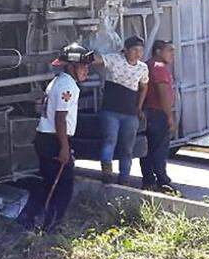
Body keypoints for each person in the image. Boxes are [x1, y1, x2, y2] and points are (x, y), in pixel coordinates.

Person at [19, 42, 93, 231]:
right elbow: (60, 118)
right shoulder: (67, 85)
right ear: (71, 66)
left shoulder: (58, 81)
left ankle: (31, 219)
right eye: (83, 66)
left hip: (46, 137)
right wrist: (64, 147)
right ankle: (51, 225)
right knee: (62, 187)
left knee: (49, 184)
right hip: (53, 139)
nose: (86, 70)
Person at [92, 35, 149, 185]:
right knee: (110, 139)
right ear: (126, 50)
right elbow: (98, 60)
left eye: (140, 50)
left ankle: (124, 178)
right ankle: (107, 172)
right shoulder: (115, 60)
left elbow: (144, 87)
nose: (138, 53)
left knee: (127, 147)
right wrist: (84, 55)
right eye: (134, 50)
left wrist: (139, 107)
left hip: (130, 113)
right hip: (111, 110)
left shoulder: (143, 68)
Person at [141, 40, 176, 193]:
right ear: (158, 52)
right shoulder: (160, 68)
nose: (172, 54)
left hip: (146, 113)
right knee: (160, 150)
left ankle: (148, 180)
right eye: (169, 50)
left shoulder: (146, 65)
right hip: (158, 113)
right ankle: (163, 181)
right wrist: (169, 116)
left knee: (147, 150)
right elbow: (164, 94)